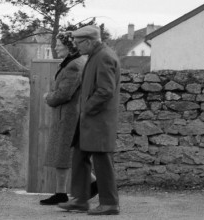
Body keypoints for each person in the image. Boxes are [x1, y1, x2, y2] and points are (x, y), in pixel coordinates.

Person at [58, 25, 121, 215]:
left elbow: (105, 90)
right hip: (90, 120)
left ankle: (109, 204)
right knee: (79, 156)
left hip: (99, 121)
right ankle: (80, 200)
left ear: (89, 41)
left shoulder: (104, 57)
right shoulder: (96, 55)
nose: (76, 47)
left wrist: (86, 108)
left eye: (79, 43)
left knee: (102, 161)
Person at [40, 32, 97, 205]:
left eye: (58, 44)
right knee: (63, 155)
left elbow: (64, 94)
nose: (55, 47)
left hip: (69, 115)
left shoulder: (74, 65)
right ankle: (62, 192)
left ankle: (92, 184)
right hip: (68, 115)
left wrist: (48, 97)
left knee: (65, 154)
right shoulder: (72, 62)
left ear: (69, 46)